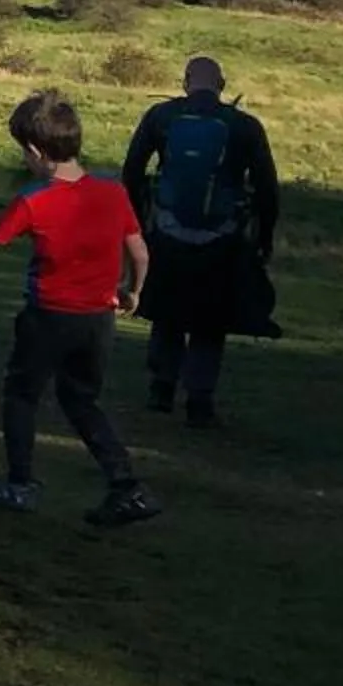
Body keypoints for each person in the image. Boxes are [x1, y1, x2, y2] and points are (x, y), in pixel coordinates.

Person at [0, 90, 163, 529]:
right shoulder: (112, 191)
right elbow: (140, 251)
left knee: (22, 394)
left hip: (49, 317)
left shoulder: (36, 198)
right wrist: (132, 290)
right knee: (81, 398)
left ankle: (20, 483)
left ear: (35, 151)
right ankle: (126, 485)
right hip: (97, 319)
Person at [120, 55, 279, 429]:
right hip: (222, 237)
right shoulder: (244, 126)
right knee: (211, 320)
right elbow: (268, 188)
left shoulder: (160, 117)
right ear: (221, 85)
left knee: (168, 311)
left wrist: (137, 223)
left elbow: (132, 171)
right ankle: (200, 401)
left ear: (185, 81)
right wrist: (263, 236)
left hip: (168, 229)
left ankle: (161, 388)